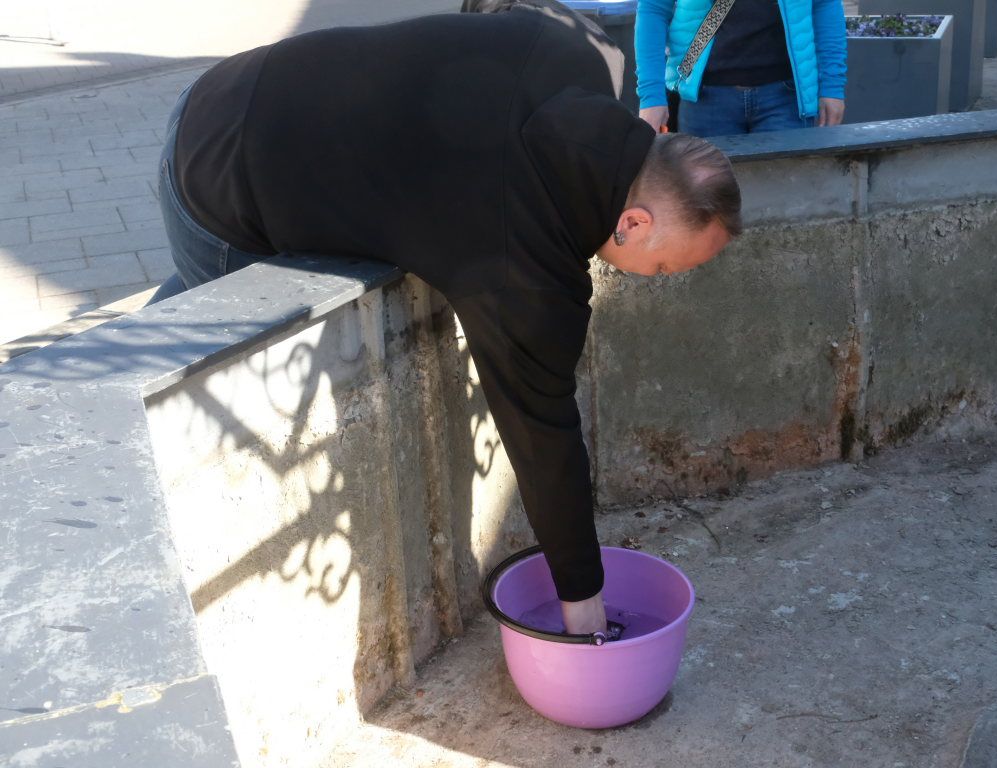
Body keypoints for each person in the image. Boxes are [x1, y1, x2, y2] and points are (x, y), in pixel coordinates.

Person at [151, 2, 741, 637]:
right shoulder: (521, 264)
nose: (656, 280)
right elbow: (544, 440)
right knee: (194, 369)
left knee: (170, 319)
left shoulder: (582, 56)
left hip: (234, 87)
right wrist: (585, 612)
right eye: (662, 268)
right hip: (220, 178)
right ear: (633, 222)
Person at [635, 0, 847, 137]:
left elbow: (824, 5)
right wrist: (651, 96)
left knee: (786, 193)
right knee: (706, 196)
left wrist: (832, 85)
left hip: (787, 98)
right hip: (704, 98)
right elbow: (653, 9)